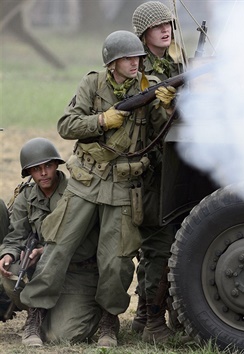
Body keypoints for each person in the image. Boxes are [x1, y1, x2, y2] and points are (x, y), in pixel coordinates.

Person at [19, 30, 176, 348]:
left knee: (116, 260)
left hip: (123, 187)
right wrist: (102, 121)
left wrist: (166, 108)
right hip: (85, 181)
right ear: (113, 62)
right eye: (128, 59)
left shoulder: (146, 87)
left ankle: (109, 321)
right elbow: (67, 125)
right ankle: (33, 319)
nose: (135, 63)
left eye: (138, 58)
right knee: (58, 247)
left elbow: (158, 137)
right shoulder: (92, 84)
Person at [0, 138, 101, 346]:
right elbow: (15, 235)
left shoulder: (76, 195)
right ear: (29, 173)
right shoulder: (26, 197)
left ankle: (98, 311)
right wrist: (8, 253)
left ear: (56, 165)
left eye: (48, 166)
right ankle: (37, 315)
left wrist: (46, 250)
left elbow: (88, 242)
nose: (43, 173)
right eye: (36, 169)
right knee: (11, 272)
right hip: (41, 273)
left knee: (61, 337)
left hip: (77, 272)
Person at [130, 1, 185, 343]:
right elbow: (147, 126)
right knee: (157, 247)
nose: (165, 30)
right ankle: (152, 321)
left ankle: (143, 315)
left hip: (174, 167)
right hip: (150, 170)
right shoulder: (137, 71)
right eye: (157, 26)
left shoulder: (176, 65)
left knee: (164, 244)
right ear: (143, 34)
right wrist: (165, 105)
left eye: (168, 24)